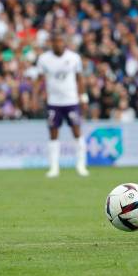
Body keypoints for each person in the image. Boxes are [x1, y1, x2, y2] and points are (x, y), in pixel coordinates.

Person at [36, 32, 89, 178]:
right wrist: (36, 96)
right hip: (53, 102)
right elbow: (40, 79)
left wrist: (83, 97)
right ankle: (54, 167)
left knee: (77, 132)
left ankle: (81, 166)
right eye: (55, 41)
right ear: (51, 43)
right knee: (53, 133)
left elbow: (80, 79)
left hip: (71, 101)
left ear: (64, 43)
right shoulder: (44, 59)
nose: (58, 44)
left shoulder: (74, 58)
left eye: (60, 41)